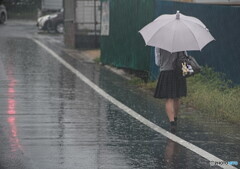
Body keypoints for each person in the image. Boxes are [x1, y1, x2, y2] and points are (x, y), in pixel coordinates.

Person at [154, 48, 187, 133]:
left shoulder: (159, 45)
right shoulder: (181, 43)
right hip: (178, 73)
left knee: (169, 99)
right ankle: (175, 119)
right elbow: (185, 58)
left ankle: (172, 123)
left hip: (165, 73)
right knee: (176, 97)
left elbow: (157, 62)